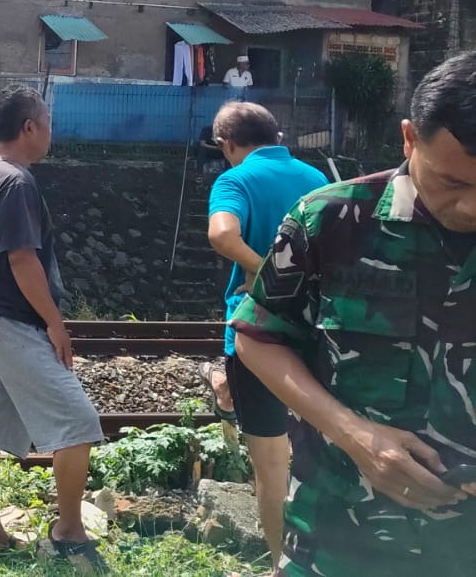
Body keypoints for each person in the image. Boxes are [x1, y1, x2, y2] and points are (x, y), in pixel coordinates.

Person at [234, 51, 476, 576]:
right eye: (454, 183)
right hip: (338, 537)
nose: (472, 207)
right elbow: (260, 336)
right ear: (409, 138)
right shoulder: (330, 220)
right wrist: (353, 434)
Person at [0, 85, 107, 571]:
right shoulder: (18, 182)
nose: (51, 131)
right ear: (29, 126)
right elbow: (23, 258)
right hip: (12, 320)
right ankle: (68, 529)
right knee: (79, 423)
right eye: (47, 122)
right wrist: (55, 323)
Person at [198, 101, 327, 572]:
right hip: (317, 332)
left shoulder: (234, 180)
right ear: (276, 134)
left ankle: (281, 566)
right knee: (322, 450)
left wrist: (272, 275)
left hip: (256, 335)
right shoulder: (318, 180)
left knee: (271, 464)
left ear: (227, 144)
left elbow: (222, 235)